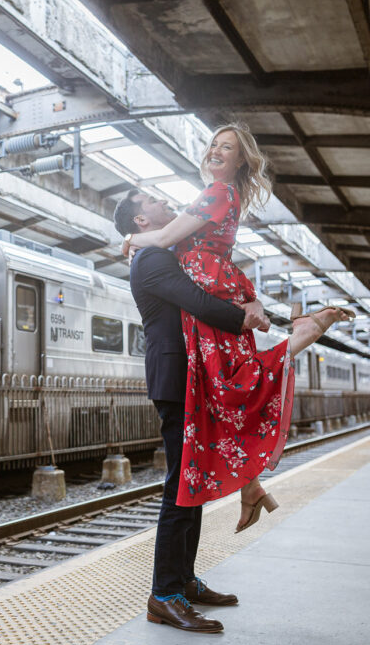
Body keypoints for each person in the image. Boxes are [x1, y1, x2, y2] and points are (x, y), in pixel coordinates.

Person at [121, 123, 352, 534]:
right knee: (224, 393)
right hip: (216, 282)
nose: (216, 150)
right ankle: (252, 486)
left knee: (230, 388)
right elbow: (175, 239)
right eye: (213, 144)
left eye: (226, 147)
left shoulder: (218, 192)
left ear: (241, 158)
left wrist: (133, 238)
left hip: (211, 286)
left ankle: (299, 338)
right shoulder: (216, 196)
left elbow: (171, 235)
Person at [113, 188, 271, 633]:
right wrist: (247, 317)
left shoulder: (159, 253)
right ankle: (164, 595)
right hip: (177, 381)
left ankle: (183, 581)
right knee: (179, 488)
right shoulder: (153, 260)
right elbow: (200, 302)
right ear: (141, 222)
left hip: (189, 379)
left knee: (192, 484)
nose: (164, 203)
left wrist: (250, 301)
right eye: (153, 202)